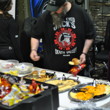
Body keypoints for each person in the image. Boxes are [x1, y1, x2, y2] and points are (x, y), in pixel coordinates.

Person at [30, 0, 96, 74]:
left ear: (64, 5)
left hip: (76, 67)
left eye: (56, 9)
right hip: (52, 68)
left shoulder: (80, 13)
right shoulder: (46, 15)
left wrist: (84, 53)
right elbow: (35, 35)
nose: (52, 12)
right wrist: (34, 50)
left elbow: (90, 35)